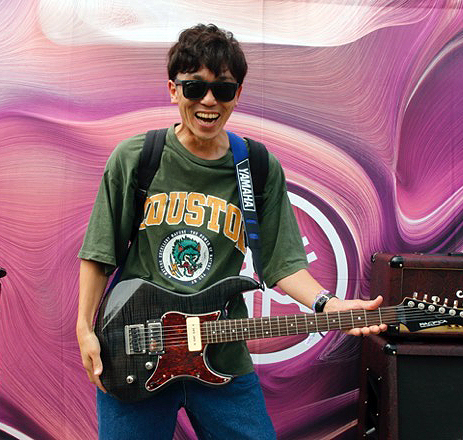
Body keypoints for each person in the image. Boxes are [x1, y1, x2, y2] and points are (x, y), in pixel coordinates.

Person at [77, 23, 387, 440]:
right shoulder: (137, 157)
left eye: (222, 89)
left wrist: (328, 305)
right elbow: (100, 253)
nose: (208, 101)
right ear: (173, 90)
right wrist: (85, 329)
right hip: (136, 351)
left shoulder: (256, 166)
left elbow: (282, 263)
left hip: (220, 355)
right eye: (194, 87)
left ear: (237, 94)